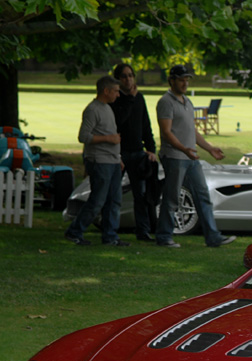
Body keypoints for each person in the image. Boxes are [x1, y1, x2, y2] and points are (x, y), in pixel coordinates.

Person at [155, 65, 236, 248]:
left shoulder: (187, 102)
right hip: (175, 156)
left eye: (187, 80)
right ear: (172, 80)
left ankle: (213, 237)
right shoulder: (165, 102)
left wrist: (209, 149)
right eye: (181, 79)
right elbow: (166, 132)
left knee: (202, 195)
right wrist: (184, 149)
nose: (185, 83)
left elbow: (193, 131)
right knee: (172, 197)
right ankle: (164, 237)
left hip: (190, 158)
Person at [66, 75, 127, 247]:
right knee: (97, 200)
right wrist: (108, 139)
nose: (118, 95)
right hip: (100, 161)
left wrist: (118, 158)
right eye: (115, 91)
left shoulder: (107, 108)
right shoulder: (93, 109)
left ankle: (110, 236)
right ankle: (74, 231)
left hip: (113, 161)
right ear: (106, 91)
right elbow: (83, 136)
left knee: (114, 200)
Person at [111, 63, 158, 242]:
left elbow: (145, 124)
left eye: (131, 75)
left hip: (138, 152)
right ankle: (111, 232)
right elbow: (119, 121)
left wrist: (151, 148)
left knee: (142, 195)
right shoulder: (115, 98)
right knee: (114, 194)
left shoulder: (139, 98)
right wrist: (130, 98)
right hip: (120, 153)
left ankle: (143, 231)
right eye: (124, 76)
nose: (128, 79)